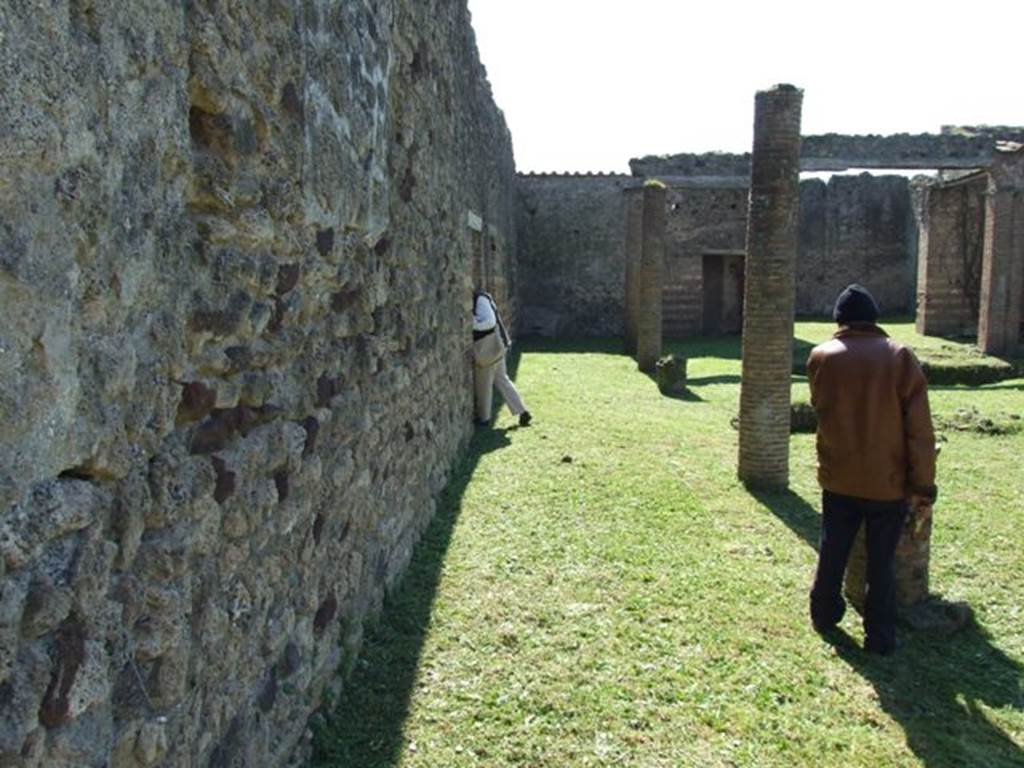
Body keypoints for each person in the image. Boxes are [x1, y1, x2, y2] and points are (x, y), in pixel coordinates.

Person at [807, 283, 936, 655]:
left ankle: (824, 614)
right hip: (887, 483)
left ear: (840, 321)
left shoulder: (820, 357)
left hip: (839, 477)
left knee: (833, 550)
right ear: (874, 319)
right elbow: (919, 432)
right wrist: (923, 486)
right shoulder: (899, 356)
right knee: (880, 565)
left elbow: (822, 409)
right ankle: (879, 637)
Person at [472, 289, 532, 427]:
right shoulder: (481, 298)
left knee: (484, 384)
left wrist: (471, 322)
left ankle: (484, 418)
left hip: (489, 349)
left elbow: (489, 322)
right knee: (502, 380)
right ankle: (523, 411)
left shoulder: (480, 299)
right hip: (496, 347)